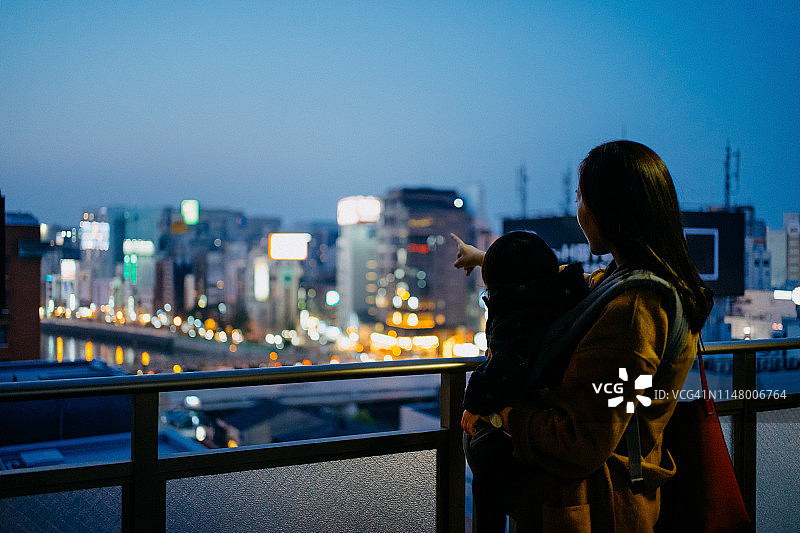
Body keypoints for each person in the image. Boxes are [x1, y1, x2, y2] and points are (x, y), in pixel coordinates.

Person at [452, 140, 713, 532]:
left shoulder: (634, 311)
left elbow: (581, 441)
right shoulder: (631, 282)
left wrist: (500, 416)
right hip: (599, 502)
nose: (578, 210)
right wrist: (489, 259)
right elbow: (562, 282)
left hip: (594, 510)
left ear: (610, 208)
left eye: (581, 198)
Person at [459, 231, 589, 532]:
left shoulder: (517, 317)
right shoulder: (558, 297)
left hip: (524, 424)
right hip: (545, 412)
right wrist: (481, 258)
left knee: (487, 476)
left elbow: (504, 367)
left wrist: (474, 402)